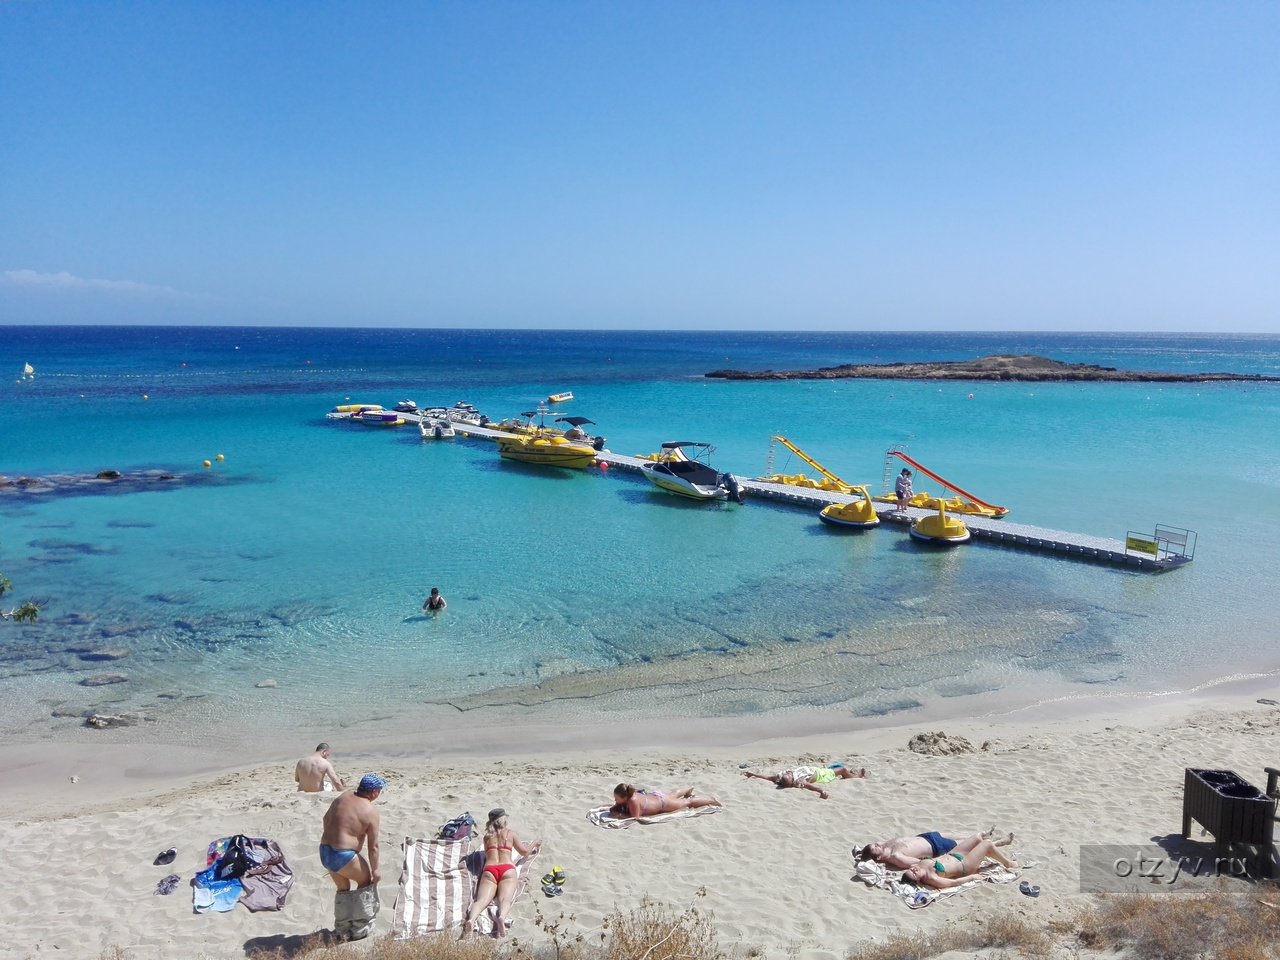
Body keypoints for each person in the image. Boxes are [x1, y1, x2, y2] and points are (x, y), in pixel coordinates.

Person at [321, 774, 386, 941]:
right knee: (365, 883)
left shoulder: (343, 796)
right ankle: (359, 929)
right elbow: (373, 847)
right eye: (379, 790)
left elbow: (325, 819)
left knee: (343, 890)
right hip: (344, 855)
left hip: (325, 851)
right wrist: (376, 870)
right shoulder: (370, 812)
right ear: (372, 792)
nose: (379, 793)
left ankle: (341, 929)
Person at [460, 808, 542, 940]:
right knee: (505, 899)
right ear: (503, 820)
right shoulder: (510, 833)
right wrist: (535, 843)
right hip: (507, 869)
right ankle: (501, 918)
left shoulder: (486, 838)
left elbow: (487, 854)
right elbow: (525, 852)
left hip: (490, 870)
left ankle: (472, 920)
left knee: (480, 900)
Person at [856, 828, 1013, 870]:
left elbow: (863, 854)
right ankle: (999, 843)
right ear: (877, 858)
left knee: (958, 835)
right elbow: (917, 863)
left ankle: (984, 834)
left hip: (927, 836)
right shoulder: (895, 856)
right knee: (970, 845)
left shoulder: (885, 845)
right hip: (935, 847)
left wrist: (861, 853)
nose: (876, 844)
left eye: (874, 843)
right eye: (874, 848)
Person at [902, 838, 1019, 889]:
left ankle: (996, 845)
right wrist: (972, 877)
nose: (914, 870)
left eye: (911, 870)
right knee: (986, 843)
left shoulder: (917, 865)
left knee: (977, 838)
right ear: (917, 880)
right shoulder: (932, 878)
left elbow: (906, 862)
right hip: (965, 866)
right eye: (913, 874)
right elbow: (954, 883)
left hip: (953, 854)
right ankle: (1008, 863)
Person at [741, 763, 866, 800]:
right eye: (789, 775)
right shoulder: (800, 781)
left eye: (788, 773)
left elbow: (768, 777)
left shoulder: (780, 778)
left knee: (835, 767)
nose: (788, 773)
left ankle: (848, 774)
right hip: (822, 775)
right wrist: (822, 791)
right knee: (842, 769)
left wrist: (753, 774)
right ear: (791, 781)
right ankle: (855, 777)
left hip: (817, 770)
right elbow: (811, 787)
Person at [610, 783, 722, 818]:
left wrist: (618, 814)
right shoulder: (631, 794)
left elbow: (635, 817)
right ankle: (688, 789)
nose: (615, 800)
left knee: (688, 802)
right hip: (656, 795)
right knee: (673, 795)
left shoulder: (633, 801)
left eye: (616, 798)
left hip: (663, 803)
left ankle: (710, 800)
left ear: (624, 797)